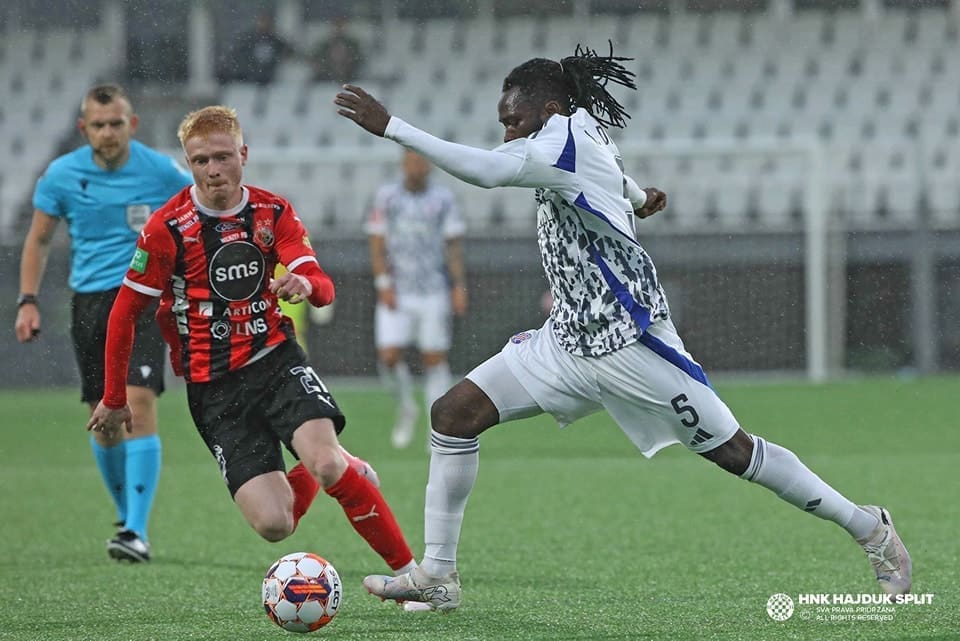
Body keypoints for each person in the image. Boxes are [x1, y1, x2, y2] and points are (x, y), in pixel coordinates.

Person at [334, 44, 912, 610]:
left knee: (736, 452)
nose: (507, 134)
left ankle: (871, 529)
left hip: (631, 342)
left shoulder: (557, 139)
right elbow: (610, 172)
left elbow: (487, 172)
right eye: (503, 124)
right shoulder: (579, 130)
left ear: (548, 110)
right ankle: (437, 575)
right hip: (567, 342)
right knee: (453, 415)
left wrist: (394, 128)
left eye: (513, 122)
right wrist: (638, 199)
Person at [86, 105, 424, 589]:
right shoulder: (167, 228)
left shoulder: (272, 211)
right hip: (213, 387)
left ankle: (412, 576)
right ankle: (337, 464)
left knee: (325, 463)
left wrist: (306, 285)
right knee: (275, 525)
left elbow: (320, 282)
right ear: (189, 163)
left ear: (243, 154)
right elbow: (124, 314)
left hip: (275, 360)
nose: (214, 170)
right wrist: (115, 397)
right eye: (201, 161)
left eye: (223, 157)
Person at [14, 83, 193, 563]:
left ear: (132, 125)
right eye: (99, 124)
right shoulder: (61, 175)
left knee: (136, 401)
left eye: (117, 123)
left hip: (142, 301)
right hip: (90, 305)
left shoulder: (160, 172)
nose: (108, 132)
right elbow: (38, 241)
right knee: (104, 422)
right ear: (83, 129)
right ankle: (126, 516)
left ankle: (136, 530)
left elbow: (200, 216)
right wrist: (27, 300)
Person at [366, 150, 467, 449]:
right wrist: (382, 282)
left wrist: (458, 284)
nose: (416, 167)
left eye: (421, 161)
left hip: (433, 289)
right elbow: (376, 243)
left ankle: (438, 427)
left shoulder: (444, 199)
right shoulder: (386, 197)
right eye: (411, 161)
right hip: (397, 289)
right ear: (403, 164)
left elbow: (453, 246)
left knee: (434, 358)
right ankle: (407, 406)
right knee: (388, 356)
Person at [218, 12, 295, 85]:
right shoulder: (249, 39)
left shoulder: (275, 41)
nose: (264, 25)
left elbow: (289, 51)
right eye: (262, 21)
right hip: (247, 77)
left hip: (266, 78)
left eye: (267, 22)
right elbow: (236, 53)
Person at [310, 15, 365, 84]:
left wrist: (348, 63)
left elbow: (359, 60)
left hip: (350, 77)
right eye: (336, 25)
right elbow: (316, 60)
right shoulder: (324, 44)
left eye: (341, 25)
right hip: (327, 78)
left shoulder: (353, 44)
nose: (338, 28)